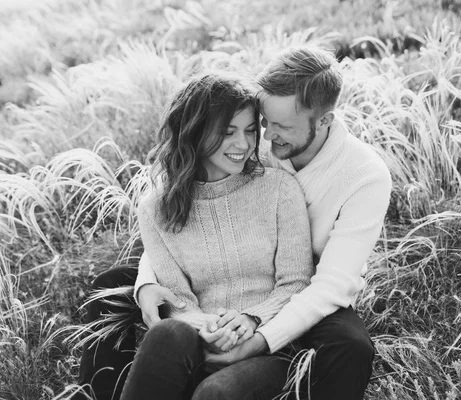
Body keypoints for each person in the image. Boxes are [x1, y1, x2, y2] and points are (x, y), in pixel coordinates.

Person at [75, 45, 392, 400]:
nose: (265, 139)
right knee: (114, 287)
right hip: (213, 281)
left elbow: (325, 283)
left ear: (323, 121)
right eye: (264, 123)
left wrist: (256, 336)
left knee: (350, 346)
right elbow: (175, 232)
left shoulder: (363, 176)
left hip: (307, 288)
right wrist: (149, 285)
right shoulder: (255, 143)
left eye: (279, 127)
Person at [73, 70, 315, 400]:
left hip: (270, 343)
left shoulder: (279, 190)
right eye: (227, 132)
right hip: (199, 340)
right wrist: (211, 331)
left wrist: (251, 319)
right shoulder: (155, 209)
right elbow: (177, 299)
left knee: (215, 392)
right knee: (168, 333)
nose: (242, 144)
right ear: (195, 133)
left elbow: (296, 281)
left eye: (249, 130)